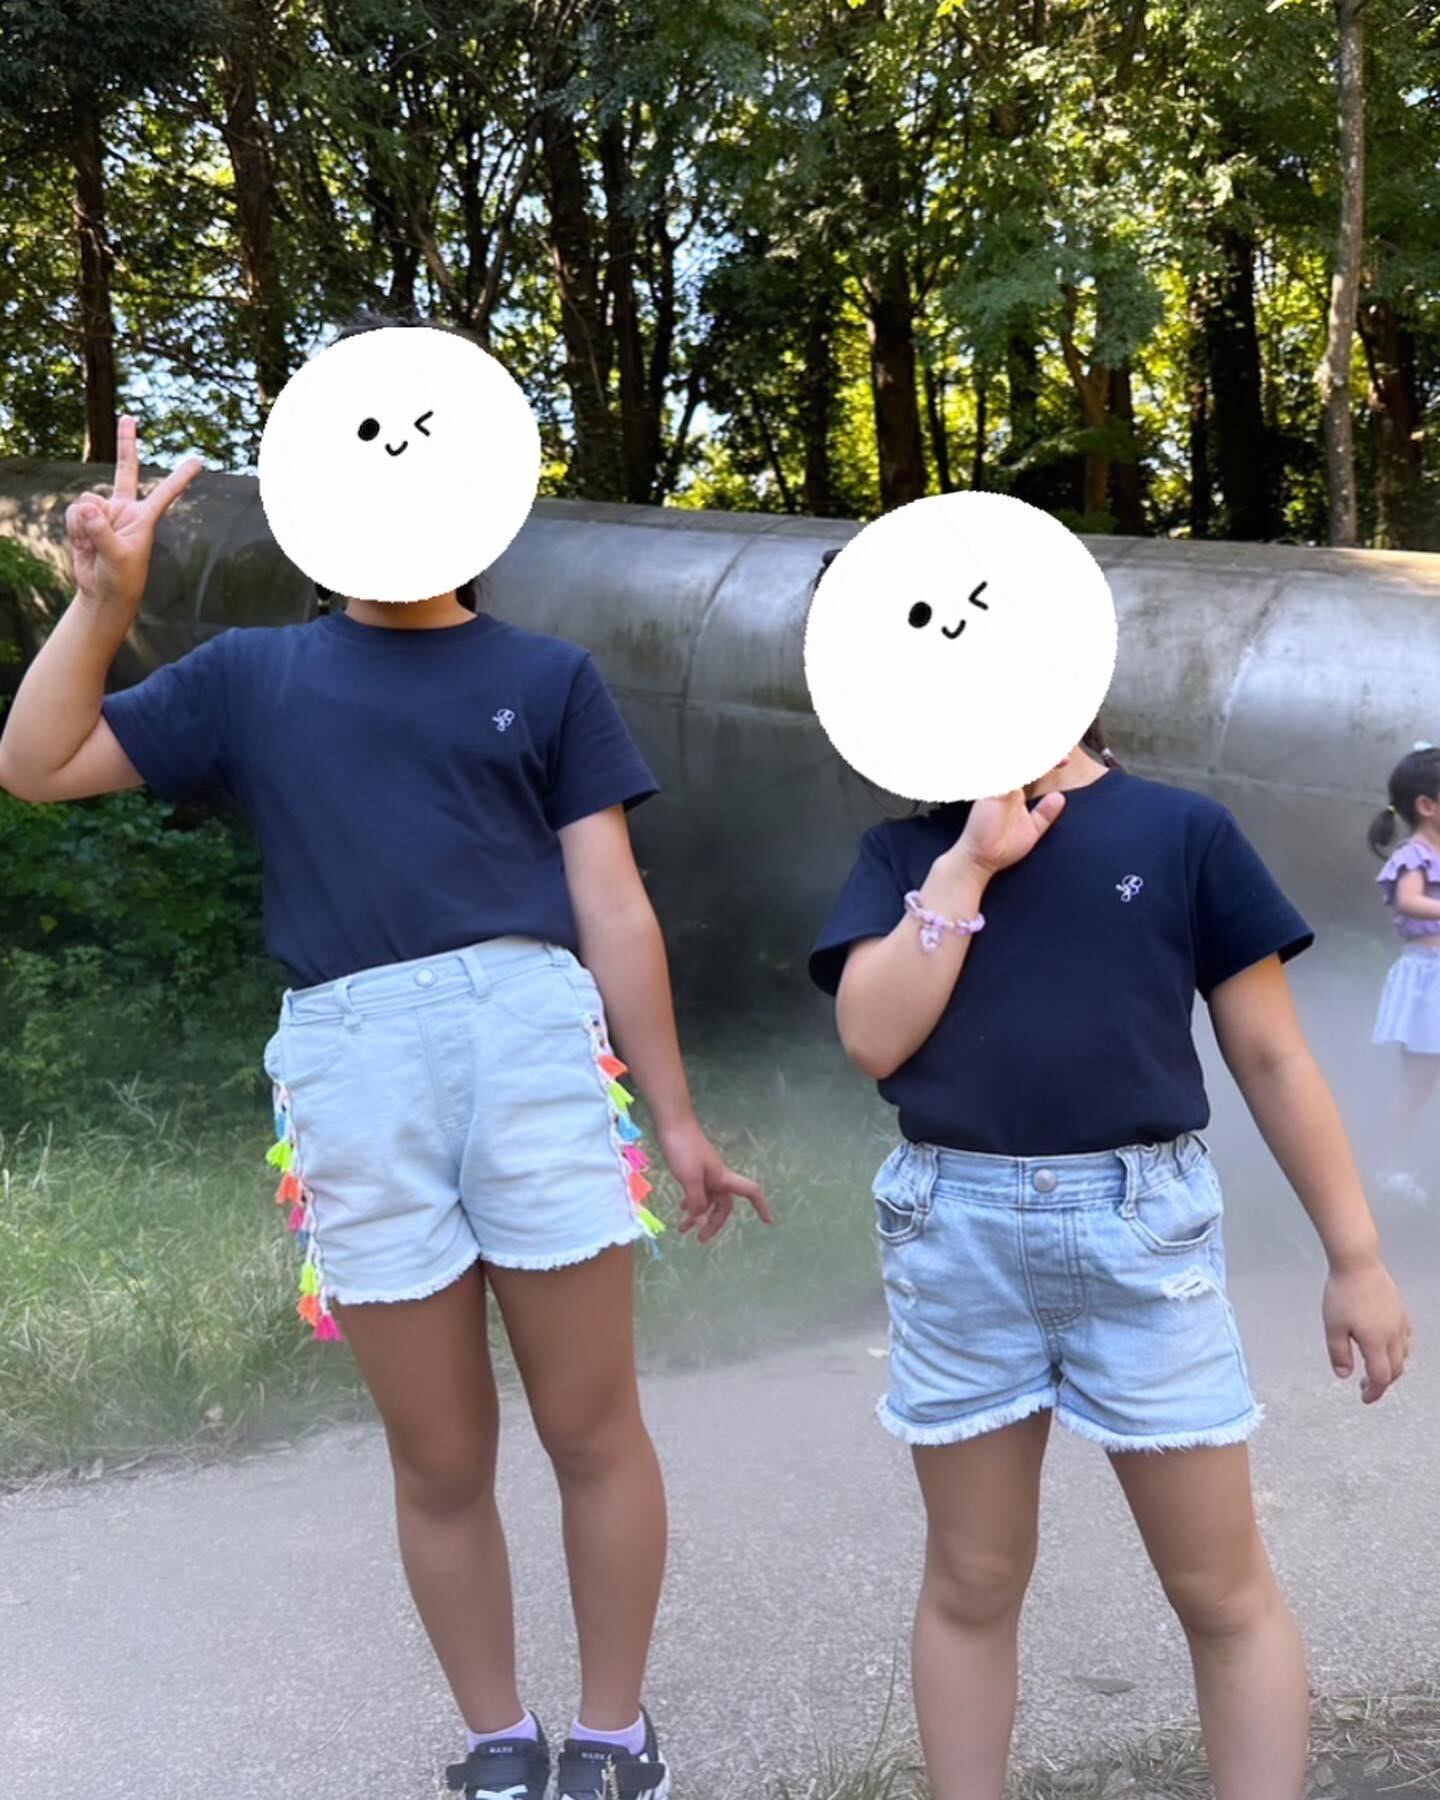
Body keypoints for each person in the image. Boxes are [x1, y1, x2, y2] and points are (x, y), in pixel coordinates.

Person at [0, 326, 768, 1800]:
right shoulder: (254, 676)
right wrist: (102, 603)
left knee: (591, 1425)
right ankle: (499, 1744)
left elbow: (614, 907)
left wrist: (674, 1117)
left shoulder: (548, 678)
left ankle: (614, 1741)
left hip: (534, 1046)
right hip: (351, 1068)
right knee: (440, 1454)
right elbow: (36, 765)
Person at [809, 724, 1410, 1800]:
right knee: (973, 1578)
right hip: (956, 1233)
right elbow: (872, 1038)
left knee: (1219, 1590)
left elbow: (1272, 1055)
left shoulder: (1181, 832)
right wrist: (969, 863)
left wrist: (1354, 1255)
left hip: (1143, 1234)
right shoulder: (907, 851)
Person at [1369, 741, 1440, 1205]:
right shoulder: (1415, 854)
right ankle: (1390, 1167)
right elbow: (1408, 899)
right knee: (1418, 1082)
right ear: (1427, 806)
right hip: (1428, 980)